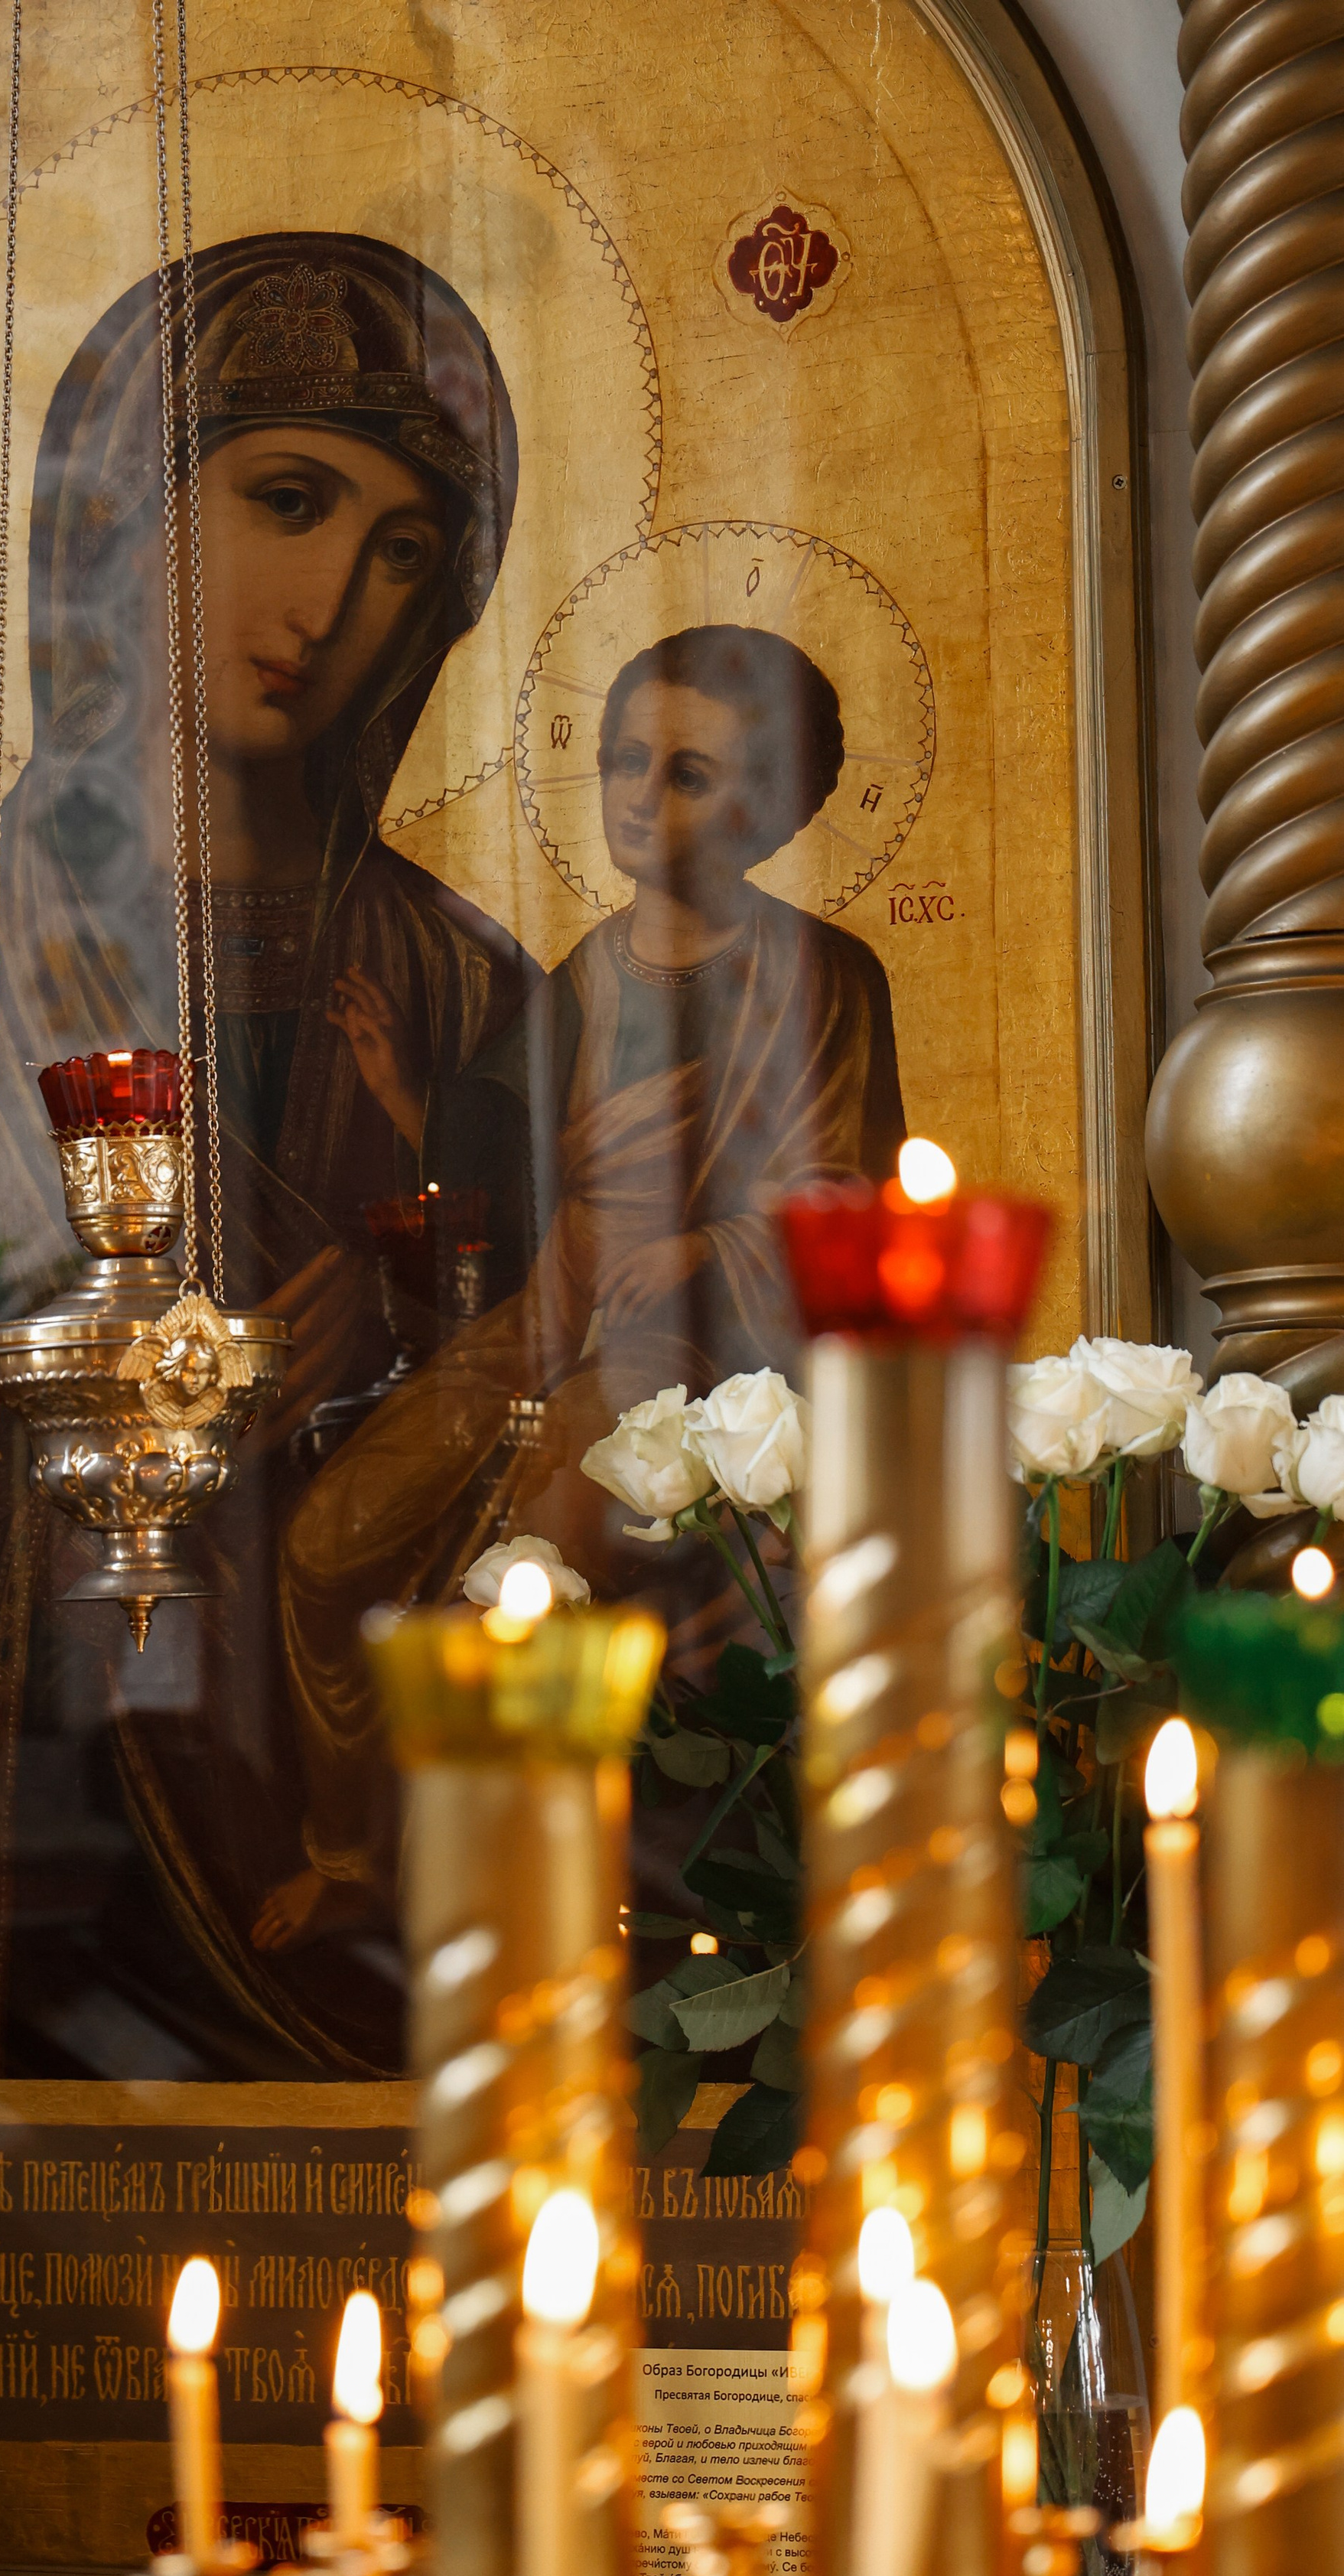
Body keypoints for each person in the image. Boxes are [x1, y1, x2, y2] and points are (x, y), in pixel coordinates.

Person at [0, 234, 537, 2080]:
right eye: (285, 501)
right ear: (115, 519)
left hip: (423, 1911)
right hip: (44, 1966)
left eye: (400, 552)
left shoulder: (470, 996)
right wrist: (143, 1475)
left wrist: (416, 1411)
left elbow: (627, 1453)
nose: (333, 603)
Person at [265, 623, 906, 1926]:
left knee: (527, 1574)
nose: (636, 792)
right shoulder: (583, 978)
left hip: (698, 1358)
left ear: (770, 806)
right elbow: (499, 1172)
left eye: (689, 771)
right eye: (625, 758)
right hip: (546, 1313)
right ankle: (351, 1859)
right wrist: (407, 1103)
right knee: (327, 1544)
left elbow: (848, 1205)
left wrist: (700, 1248)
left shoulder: (822, 979)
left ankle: (519, 1903)